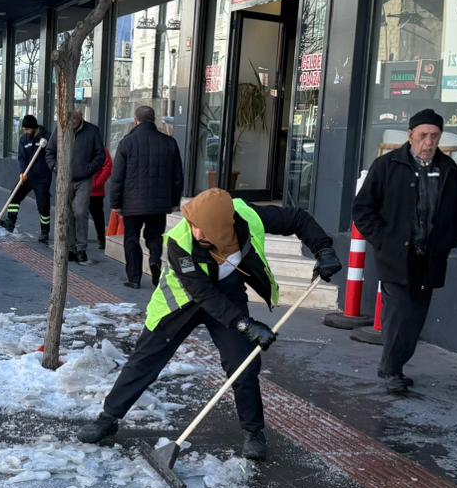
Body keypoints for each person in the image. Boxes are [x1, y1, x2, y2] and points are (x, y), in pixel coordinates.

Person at [82, 188, 342, 460]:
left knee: (242, 363)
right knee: (145, 359)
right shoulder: (179, 243)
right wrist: (247, 325)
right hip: (181, 300)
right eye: (194, 226)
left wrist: (323, 249)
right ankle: (108, 417)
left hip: (228, 292)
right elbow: (203, 294)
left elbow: (298, 218)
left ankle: (254, 432)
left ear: (222, 227)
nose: (196, 233)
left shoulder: (246, 216)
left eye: (204, 229)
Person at [352, 109, 457, 395]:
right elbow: (362, 209)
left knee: (416, 316)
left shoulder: (449, 170)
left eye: (434, 136)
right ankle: (390, 369)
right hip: (395, 254)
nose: (428, 142)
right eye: (423, 136)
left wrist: (448, 241)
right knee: (399, 312)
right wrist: (383, 240)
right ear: (410, 136)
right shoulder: (387, 165)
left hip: (429, 257)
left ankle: (396, 366)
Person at [106, 105, 183, 289]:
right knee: (155, 236)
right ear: (154, 119)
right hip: (159, 203)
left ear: (136, 120)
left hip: (132, 203)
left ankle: (134, 278)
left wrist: (115, 203)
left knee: (131, 238)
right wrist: (174, 202)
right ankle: (155, 260)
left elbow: (117, 177)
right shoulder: (169, 142)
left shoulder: (127, 143)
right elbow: (177, 176)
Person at [45, 107, 107, 262]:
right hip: (63, 179)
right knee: (66, 213)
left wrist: (89, 170)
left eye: (75, 120)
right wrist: (56, 168)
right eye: (70, 119)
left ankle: (81, 248)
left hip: (83, 180)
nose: (72, 123)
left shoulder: (92, 131)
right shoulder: (60, 128)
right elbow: (50, 152)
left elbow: (100, 155)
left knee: (80, 211)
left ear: (81, 118)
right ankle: (71, 248)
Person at [2, 115, 54, 243]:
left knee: (43, 205)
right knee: (14, 196)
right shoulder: (24, 140)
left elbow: (52, 153)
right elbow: (22, 157)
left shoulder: (46, 137)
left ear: (34, 127)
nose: (25, 132)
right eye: (24, 130)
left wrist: (46, 146)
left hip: (42, 177)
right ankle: (11, 222)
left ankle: (44, 232)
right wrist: (22, 172)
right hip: (28, 175)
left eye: (27, 129)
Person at [89, 148, 113, 251]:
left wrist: (96, 183)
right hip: (79, 188)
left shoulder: (101, 148)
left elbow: (108, 166)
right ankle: (76, 240)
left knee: (98, 217)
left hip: (95, 192)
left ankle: (101, 238)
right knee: (77, 214)